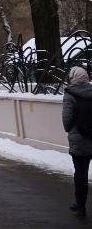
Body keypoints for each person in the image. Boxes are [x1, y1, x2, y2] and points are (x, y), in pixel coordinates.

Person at [63, 66, 92, 217]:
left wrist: (70, 128)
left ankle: (80, 205)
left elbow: (67, 121)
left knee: (81, 172)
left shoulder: (70, 94)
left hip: (79, 140)